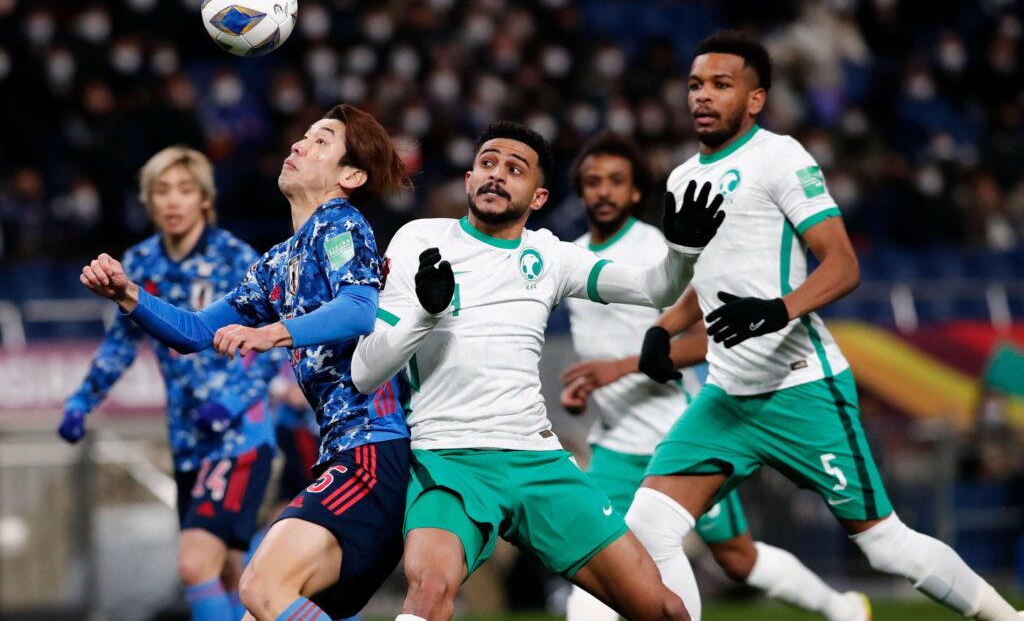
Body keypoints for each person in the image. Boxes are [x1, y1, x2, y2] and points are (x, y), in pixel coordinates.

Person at [626, 30, 1023, 621]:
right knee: (649, 526)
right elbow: (705, 276)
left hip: (801, 386)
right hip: (727, 399)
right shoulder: (683, 179)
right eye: (694, 85)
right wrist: (665, 327)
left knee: (885, 545)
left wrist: (777, 309)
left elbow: (843, 263)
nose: (702, 96)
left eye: (720, 84)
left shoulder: (781, 156)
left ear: (755, 99)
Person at [350, 121, 726, 621]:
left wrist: (682, 254)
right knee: (430, 593)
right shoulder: (419, 239)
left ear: (539, 196)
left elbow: (655, 289)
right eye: (487, 163)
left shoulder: (550, 255)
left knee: (664, 609)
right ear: (467, 180)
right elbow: (364, 372)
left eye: (514, 169)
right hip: (448, 460)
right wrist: (424, 315)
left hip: (538, 459)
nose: (496, 175)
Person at [77, 105, 410, 621]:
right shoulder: (279, 261)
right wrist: (129, 295)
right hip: (342, 453)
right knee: (260, 609)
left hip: (373, 450)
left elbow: (359, 308)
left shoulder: (342, 225)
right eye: (302, 136)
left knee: (259, 584)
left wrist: (272, 332)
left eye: (321, 141)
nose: (299, 145)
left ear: (351, 175)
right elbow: (195, 333)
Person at [560, 130, 871, 621]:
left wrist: (618, 370)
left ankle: (842, 609)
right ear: (580, 191)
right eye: (593, 182)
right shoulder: (571, 260)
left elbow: (710, 336)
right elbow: (595, 350)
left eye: (616, 181)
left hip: (677, 436)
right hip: (615, 447)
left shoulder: (660, 252)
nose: (604, 192)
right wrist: (585, 389)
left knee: (736, 557)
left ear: (636, 192)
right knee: (595, 567)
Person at [59, 146, 279, 621]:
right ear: (149, 201)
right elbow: (120, 345)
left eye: (185, 189)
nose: (173, 201)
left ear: (205, 199)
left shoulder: (237, 258)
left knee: (193, 562)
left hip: (237, 437)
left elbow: (265, 351)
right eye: (162, 190)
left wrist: (228, 403)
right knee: (237, 577)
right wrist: (82, 400)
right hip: (187, 441)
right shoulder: (137, 264)